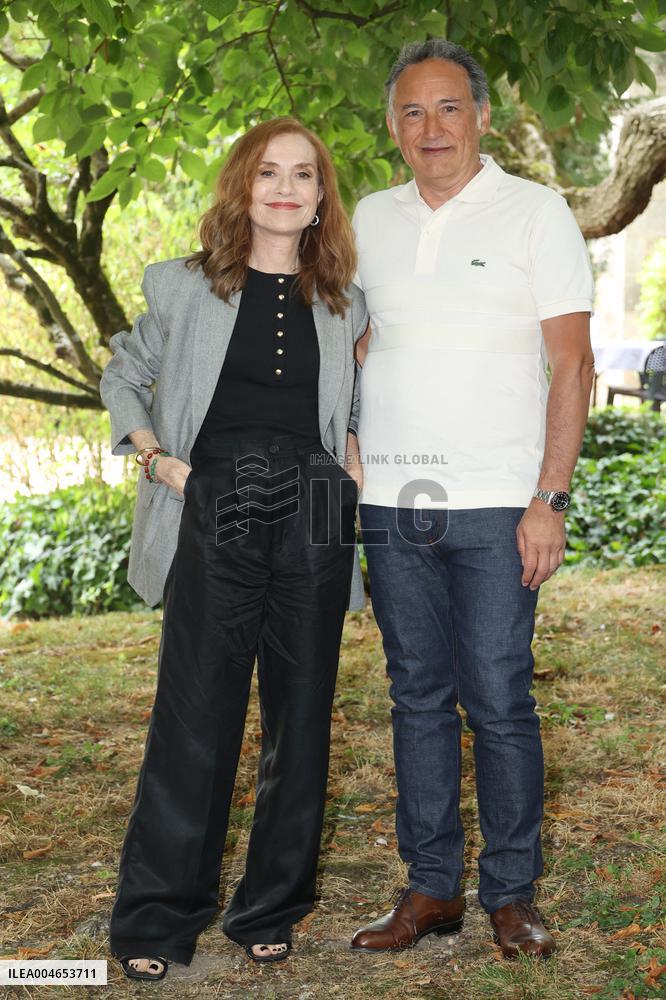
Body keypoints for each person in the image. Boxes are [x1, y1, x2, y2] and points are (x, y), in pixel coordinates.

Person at [99, 117, 368, 981]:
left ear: (323, 195)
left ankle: (270, 905)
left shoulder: (344, 297)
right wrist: (155, 458)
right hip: (213, 500)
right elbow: (123, 370)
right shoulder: (184, 286)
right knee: (196, 714)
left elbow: (353, 404)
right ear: (242, 187)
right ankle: (154, 920)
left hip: (315, 511)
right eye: (267, 174)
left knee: (302, 714)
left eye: (302, 175)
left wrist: (351, 467)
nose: (285, 189)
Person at [349, 39, 594, 960]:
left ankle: (511, 893)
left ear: (482, 118)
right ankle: (431, 887)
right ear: (392, 128)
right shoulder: (367, 219)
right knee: (415, 693)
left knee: (497, 696)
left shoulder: (536, 213)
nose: (431, 128)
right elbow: (363, 344)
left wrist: (550, 499)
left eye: (449, 108)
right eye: (411, 112)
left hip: (499, 503)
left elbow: (571, 363)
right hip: (392, 500)